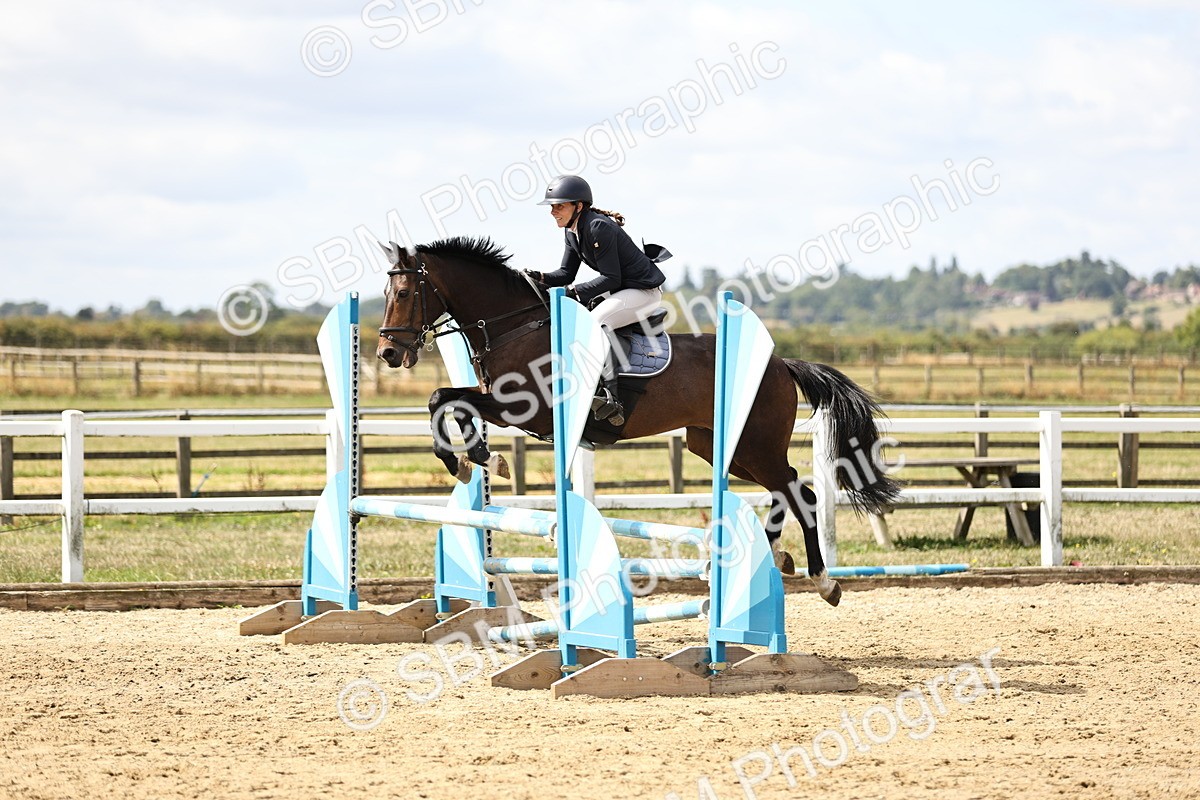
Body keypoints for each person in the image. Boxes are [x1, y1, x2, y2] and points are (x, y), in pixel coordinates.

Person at [526, 175, 667, 425]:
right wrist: (537, 277)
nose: (553, 211)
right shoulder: (573, 232)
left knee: (596, 322)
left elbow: (611, 278)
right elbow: (566, 274)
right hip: (621, 290)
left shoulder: (597, 227)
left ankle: (611, 397)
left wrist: (574, 292)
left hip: (643, 292)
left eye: (559, 205)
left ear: (578, 206)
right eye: (551, 206)